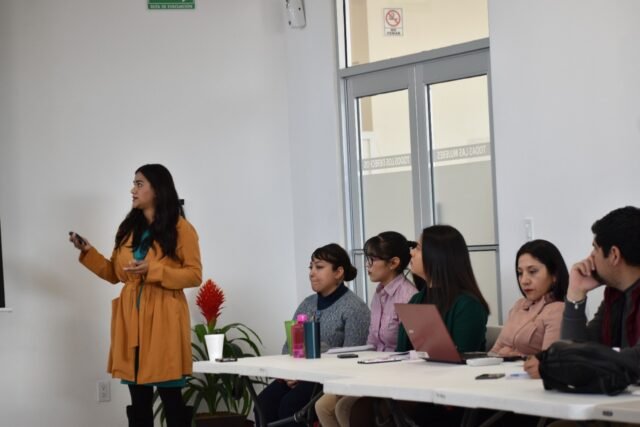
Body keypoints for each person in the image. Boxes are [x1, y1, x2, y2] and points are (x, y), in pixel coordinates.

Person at [69, 164, 202, 427]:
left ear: (158, 189)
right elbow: (114, 273)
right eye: (134, 184)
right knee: (139, 401)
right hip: (131, 321)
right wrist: (88, 252)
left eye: (139, 184)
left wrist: (154, 270)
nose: (133, 190)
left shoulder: (181, 228)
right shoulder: (128, 229)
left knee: (171, 398)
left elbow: (194, 275)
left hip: (164, 319)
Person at [526, 206, 640, 426]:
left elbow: (636, 359)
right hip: (619, 404)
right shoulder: (614, 297)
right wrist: (575, 293)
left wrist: (563, 362)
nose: (590, 258)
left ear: (614, 255)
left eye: (595, 249)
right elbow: (575, 346)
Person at [255, 243, 370, 427]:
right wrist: (289, 374)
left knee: (290, 406)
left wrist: (307, 373)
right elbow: (288, 346)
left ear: (338, 272)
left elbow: (352, 358)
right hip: (297, 376)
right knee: (262, 404)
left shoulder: (355, 308)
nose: (312, 273)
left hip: (327, 379)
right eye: (311, 267)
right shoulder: (307, 304)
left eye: (319, 267)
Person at [315, 232, 418, 427]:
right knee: (322, 406)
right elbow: (372, 343)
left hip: (396, 376)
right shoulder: (379, 294)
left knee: (344, 407)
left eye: (372, 260)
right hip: (374, 371)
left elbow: (413, 351)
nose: (367, 265)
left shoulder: (409, 296)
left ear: (393, 263)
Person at [490, 239, 569, 357]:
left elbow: (549, 362)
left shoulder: (559, 310)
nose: (524, 281)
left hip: (526, 369)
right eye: (520, 273)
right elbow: (494, 352)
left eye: (532, 271)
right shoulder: (519, 305)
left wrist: (515, 355)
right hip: (500, 368)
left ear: (554, 275)